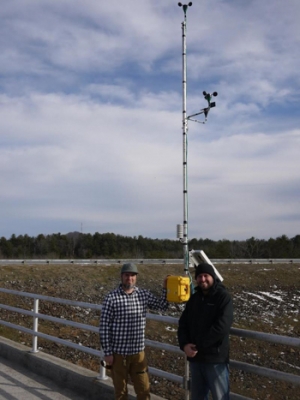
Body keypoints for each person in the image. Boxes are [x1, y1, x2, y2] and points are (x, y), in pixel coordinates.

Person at [99, 262, 169, 400]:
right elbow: (104, 327)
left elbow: (162, 306)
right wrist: (107, 353)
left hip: (138, 354)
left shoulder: (143, 295)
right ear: (121, 276)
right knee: (120, 392)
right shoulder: (111, 298)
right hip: (118, 354)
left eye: (132, 275)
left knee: (143, 390)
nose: (129, 278)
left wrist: (166, 288)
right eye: (126, 275)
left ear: (136, 277)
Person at [177, 262, 233, 400]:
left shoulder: (223, 297)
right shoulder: (194, 298)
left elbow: (222, 327)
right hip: (196, 360)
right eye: (200, 276)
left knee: (220, 397)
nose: (203, 279)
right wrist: (184, 345)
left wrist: (198, 345)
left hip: (215, 360)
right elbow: (183, 324)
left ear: (212, 277)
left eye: (206, 276)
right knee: (197, 397)